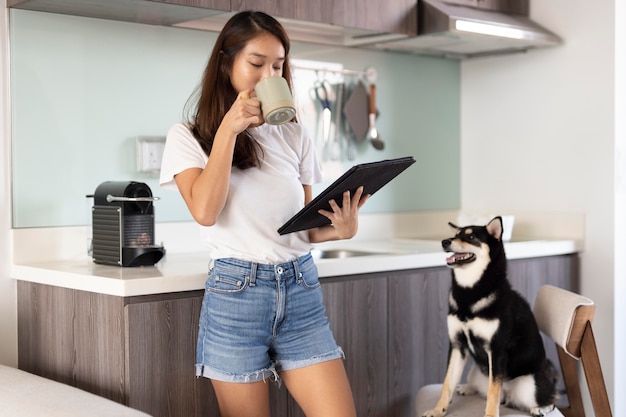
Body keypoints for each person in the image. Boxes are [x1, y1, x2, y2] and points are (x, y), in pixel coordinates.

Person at [159, 10, 369, 417]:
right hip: (237, 295)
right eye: (257, 64)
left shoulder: (294, 132)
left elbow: (303, 227)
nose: (270, 75)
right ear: (226, 62)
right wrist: (228, 130)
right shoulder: (188, 136)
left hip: (301, 290)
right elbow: (204, 210)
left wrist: (338, 229)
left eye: (278, 65)